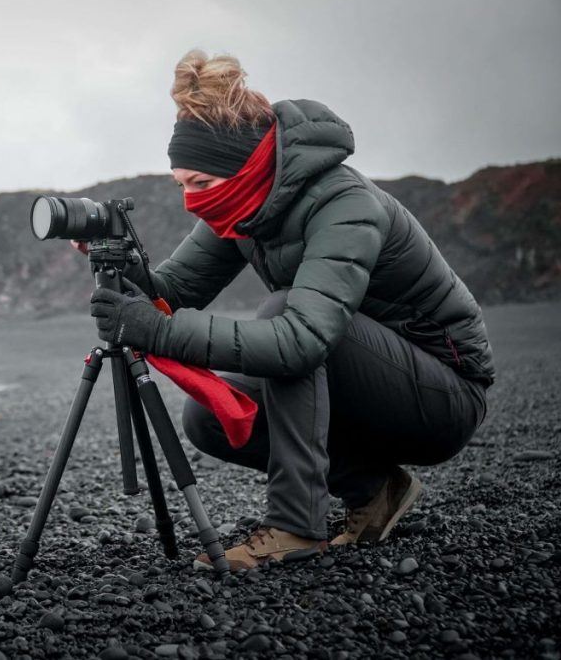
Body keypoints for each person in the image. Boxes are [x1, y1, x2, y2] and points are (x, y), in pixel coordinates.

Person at [86, 50, 493, 571]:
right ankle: (377, 488)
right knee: (213, 415)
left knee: (285, 315)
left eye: (201, 184)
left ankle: (296, 527)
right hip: (357, 380)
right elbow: (174, 291)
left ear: (245, 166)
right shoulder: (239, 207)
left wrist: (159, 331)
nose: (192, 201)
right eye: (181, 185)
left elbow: (302, 339)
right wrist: (123, 268)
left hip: (442, 398)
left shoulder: (343, 203)